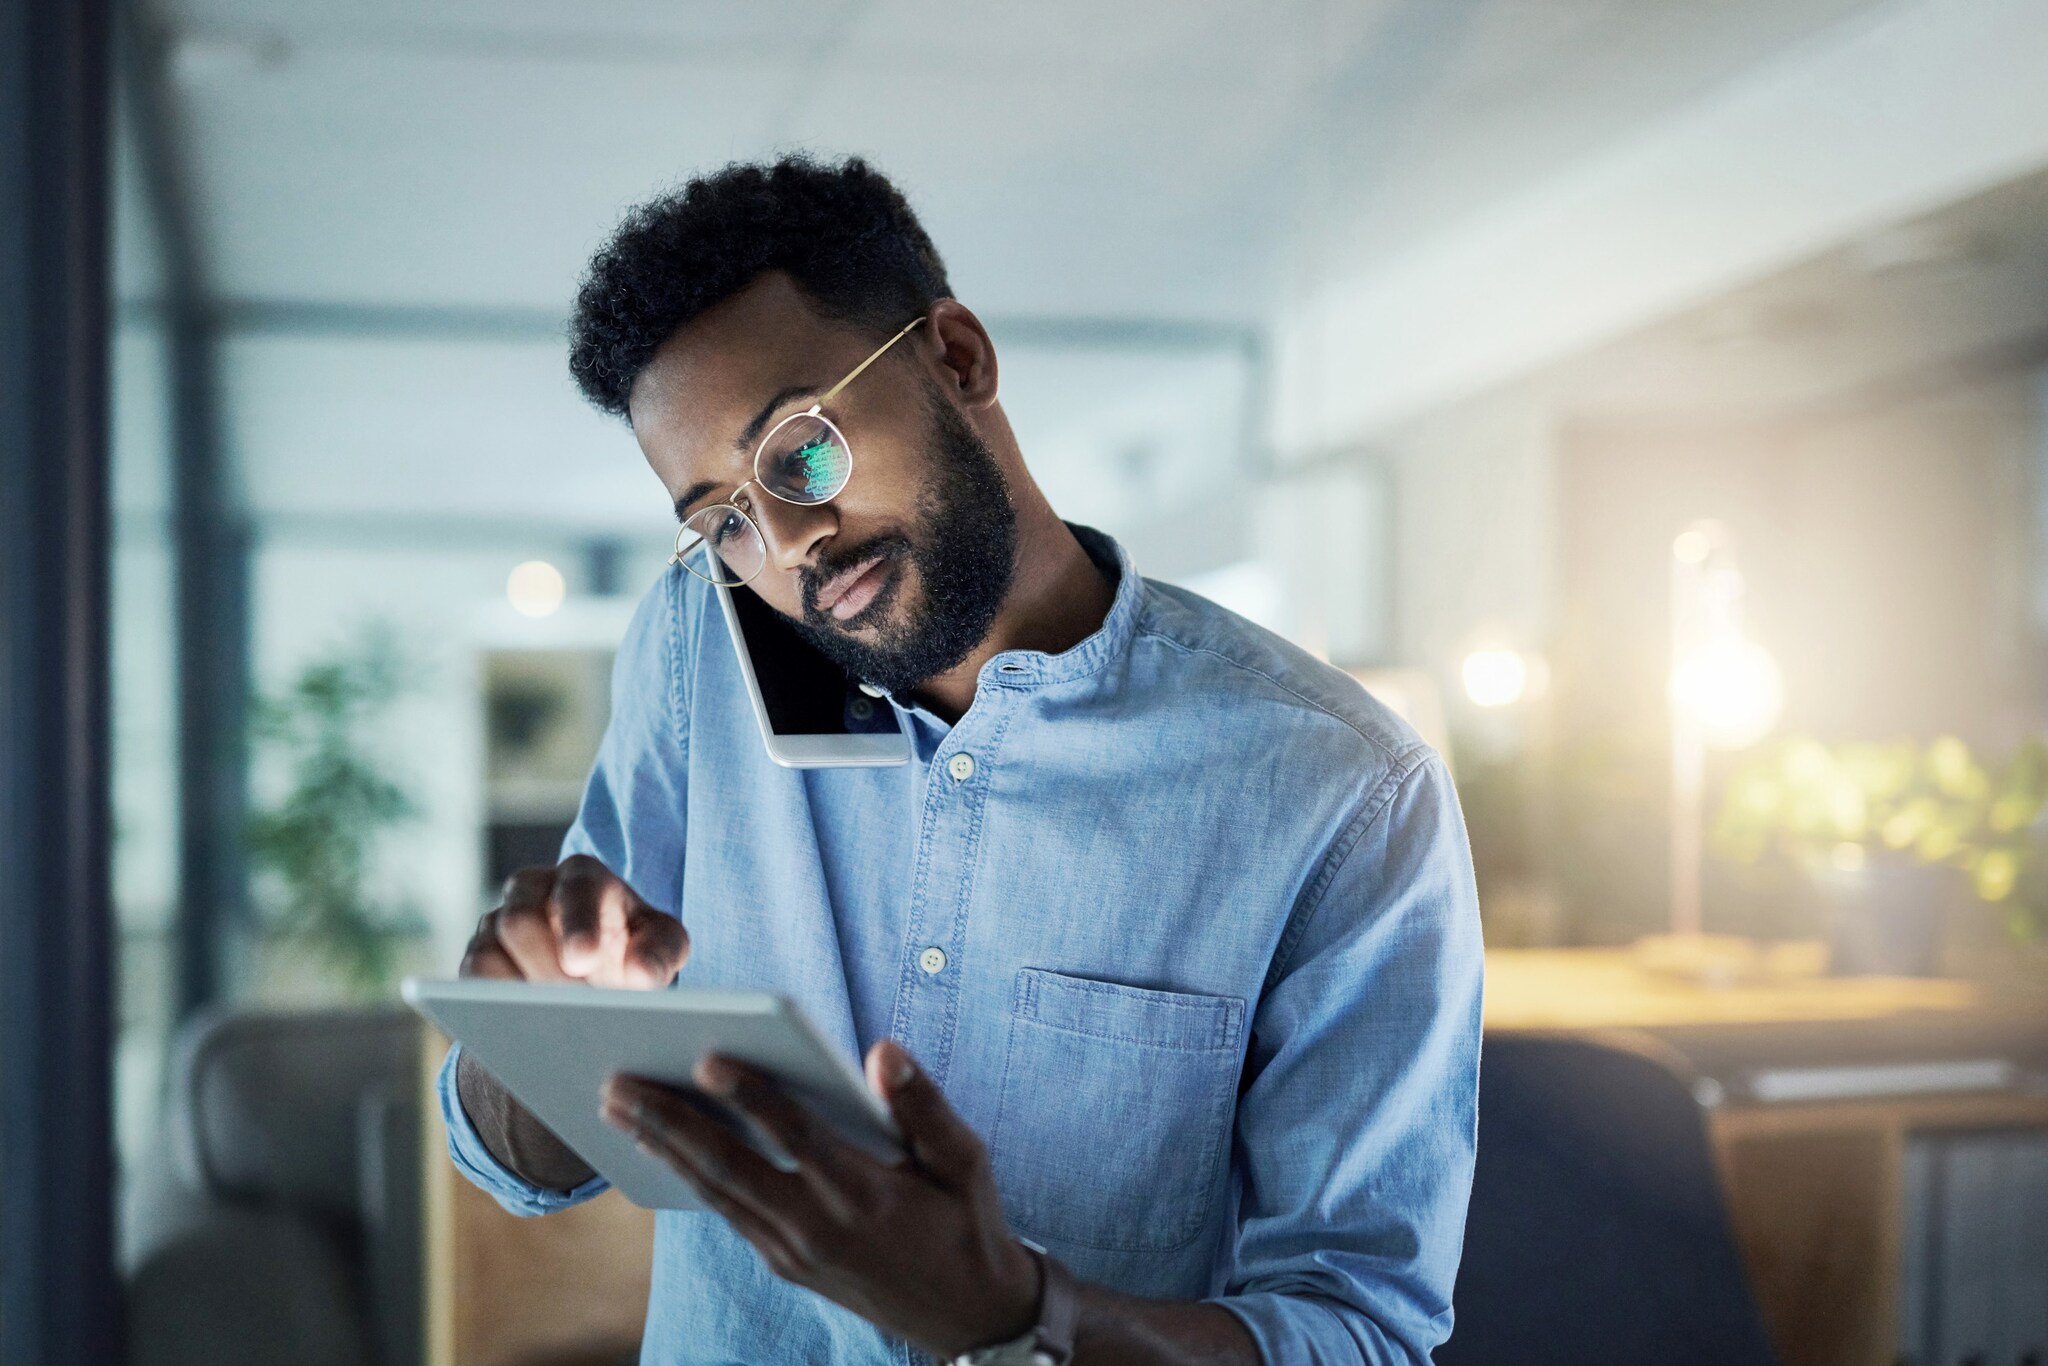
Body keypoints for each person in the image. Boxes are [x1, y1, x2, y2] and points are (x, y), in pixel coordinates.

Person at [441, 155, 1483, 1366]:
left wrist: (1017, 1320)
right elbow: (524, 1158)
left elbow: (1359, 1329)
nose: (787, 545)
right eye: (722, 518)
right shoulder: (695, 653)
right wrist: (540, 1041)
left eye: (800, 452)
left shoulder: (1342, 793)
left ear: (957, 357)